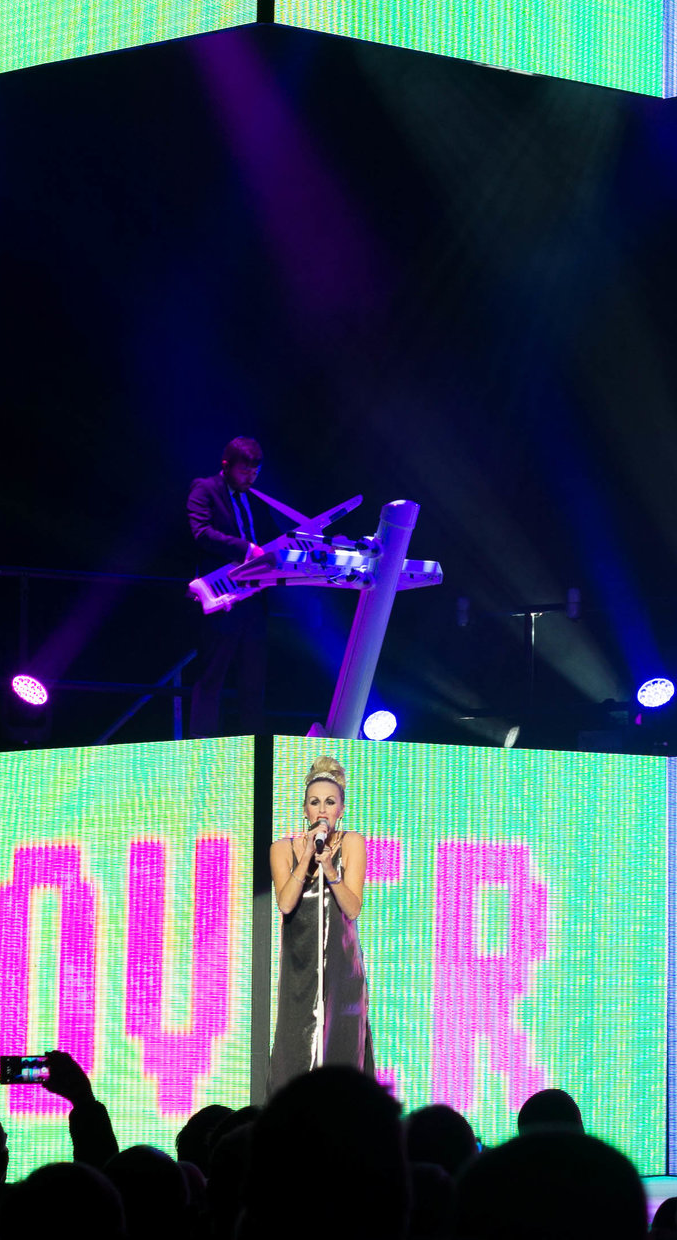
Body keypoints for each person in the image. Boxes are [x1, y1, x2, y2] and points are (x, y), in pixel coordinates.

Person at [267, 754, 373, 1089]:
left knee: (341, 1046)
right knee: (296, 1044)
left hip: (342, 964)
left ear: (341, 809)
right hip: (300, 965)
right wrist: (306, 861)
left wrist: (330, 869)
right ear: (305, 810)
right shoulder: (282, 848)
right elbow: (285, 904)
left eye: (330, 802)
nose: (322, 809)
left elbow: (352, 908)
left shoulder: (353, 843)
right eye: (315, 802)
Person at [186, 436, 273, 736]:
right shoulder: (205, 489)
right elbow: (202, 533)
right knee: (211, 678)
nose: (250, 477)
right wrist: (246, 550)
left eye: (255, 472)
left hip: (254, 600)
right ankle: (200, 750)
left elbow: (272, 541)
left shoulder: (256, 500)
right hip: (220, 598)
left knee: (254, 683)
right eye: (244, 471)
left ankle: (254, 754)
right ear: (226, 466)